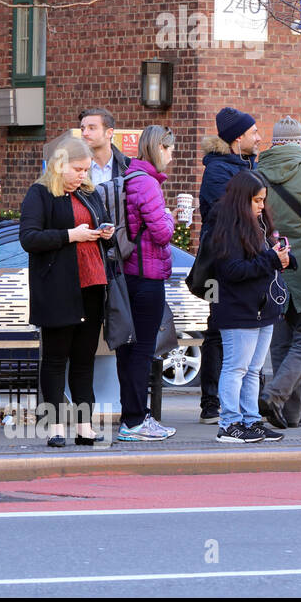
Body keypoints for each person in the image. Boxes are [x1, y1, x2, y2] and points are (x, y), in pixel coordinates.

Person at [18, 135, 113, 448]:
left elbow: (99, 230)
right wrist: (70, 235)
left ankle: (85, 426)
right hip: (57, 286)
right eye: (77, 169)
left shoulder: (89, 193)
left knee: (85, 359)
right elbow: (29, 238)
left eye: (86, 170)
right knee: (56, 358)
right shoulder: (40, 193)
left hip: (92, 283)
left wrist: (104, 233)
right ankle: (54, 426)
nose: (82, 175)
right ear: (60, 165)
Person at [204, 171, 294, 444]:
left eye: (263, 200)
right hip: (238, 308)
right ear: (242, 200)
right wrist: (271, 259)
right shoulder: (227, 227)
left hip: (262, 307)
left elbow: (264, 261)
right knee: (236, 367)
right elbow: (232, 270)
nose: (261, 206)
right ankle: (229, 423)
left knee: (254, 369)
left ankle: (251, 420)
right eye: (256, 200)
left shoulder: (260, 224)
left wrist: (283, 257)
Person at [196, 106, 262, 423]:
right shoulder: (218, 171)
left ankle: (240, 404)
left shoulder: (247, 166)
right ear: (238, 138)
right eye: (253, 133)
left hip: (249, 257)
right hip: (224, 261)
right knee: (216, 330)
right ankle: (212, 403)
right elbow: (223, 215)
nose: (258, 137)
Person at [113, 125, 178, 441]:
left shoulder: (129, 178)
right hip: (147, 277)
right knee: (142, 351)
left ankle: (131, 418)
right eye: (170, 149)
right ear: (158, 149)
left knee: (128, 352)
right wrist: (170, 216)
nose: (172, 155)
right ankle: (136, 421)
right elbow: (163, 233)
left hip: (128, 275)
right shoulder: (148, 185)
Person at [256, 117, 301, 430]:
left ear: (275, 141)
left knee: (280, 343)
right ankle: (275, 396)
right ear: (300, 141)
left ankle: (289, 415)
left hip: (273, 270)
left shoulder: (255, 175)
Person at [78, 107, 130, 188]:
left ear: (109, 133)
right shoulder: (75, 168)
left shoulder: (128, 167)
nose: (84, 133)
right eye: (82, 129)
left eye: (91, 128)